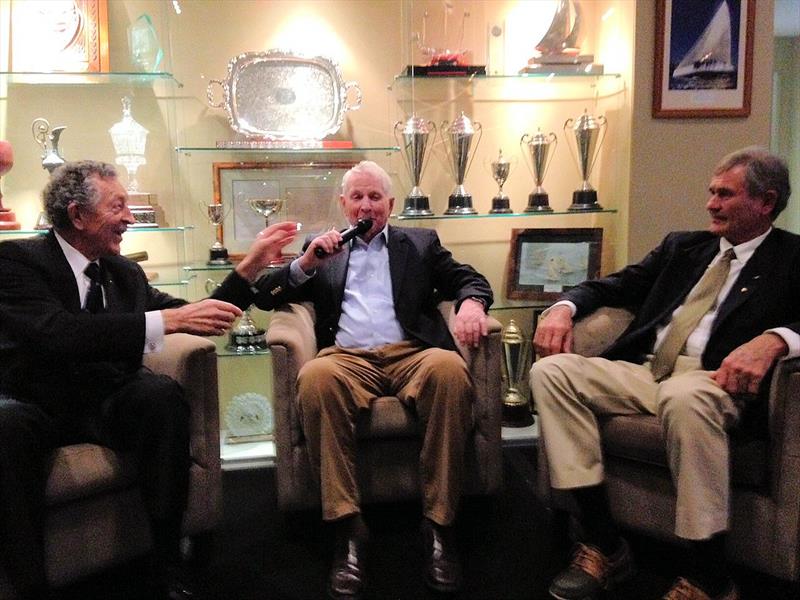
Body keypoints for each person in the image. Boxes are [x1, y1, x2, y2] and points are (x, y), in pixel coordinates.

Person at [0, 160, 297, 600]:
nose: (128, 218)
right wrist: (167, 319)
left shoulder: (124, 273)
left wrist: (250, 267)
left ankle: (167, 559)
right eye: (117, 206)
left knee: (159, 395)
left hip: (104, 397)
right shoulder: (17, 261)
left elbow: (199, 312)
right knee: (4, 425)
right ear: (78, 215)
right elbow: (56, 333)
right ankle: (28, 583)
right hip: (36, 398)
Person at [215, 159, 493, 598]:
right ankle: (348, 528)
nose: (366, 206)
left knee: (451, 371)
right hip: (346, 358)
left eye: (375, 197)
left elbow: (469, 279)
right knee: (315, 378)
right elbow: (267, 298)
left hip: (412, 353)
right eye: (358, 197)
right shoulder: (323, 249)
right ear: (344, 204)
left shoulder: (420, 243)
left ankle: (439, 524)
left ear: (390, 204)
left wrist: (473, 304)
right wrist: (305, 263)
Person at [529, 146, 796, 600]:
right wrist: (562, 307)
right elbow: (614, 284)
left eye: (725, 195)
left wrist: (777, 340)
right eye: (711, 192)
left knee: (684, 399)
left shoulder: (791, 257)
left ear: (766, 202)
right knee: (551, 373)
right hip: (648, 370)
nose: (710, 204)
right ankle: (603, 543)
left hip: (713, 380)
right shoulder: (683, 247)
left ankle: (707, 577)